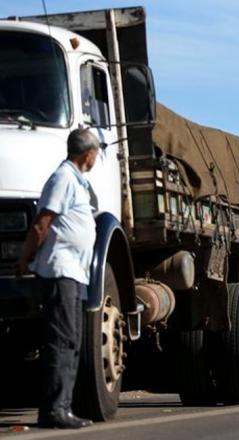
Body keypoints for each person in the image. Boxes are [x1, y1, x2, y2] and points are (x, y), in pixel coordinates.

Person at [17, 128, 100, 429]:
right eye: (96, 152)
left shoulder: (76, 180)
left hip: (73, 273)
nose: (97, 157)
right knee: (62, 340)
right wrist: (25, 258)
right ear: (87, 154)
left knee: (71, 340)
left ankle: (62, 406)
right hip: (60, 270)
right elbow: (42, 224)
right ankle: (54, 410)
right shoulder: (63, 178)